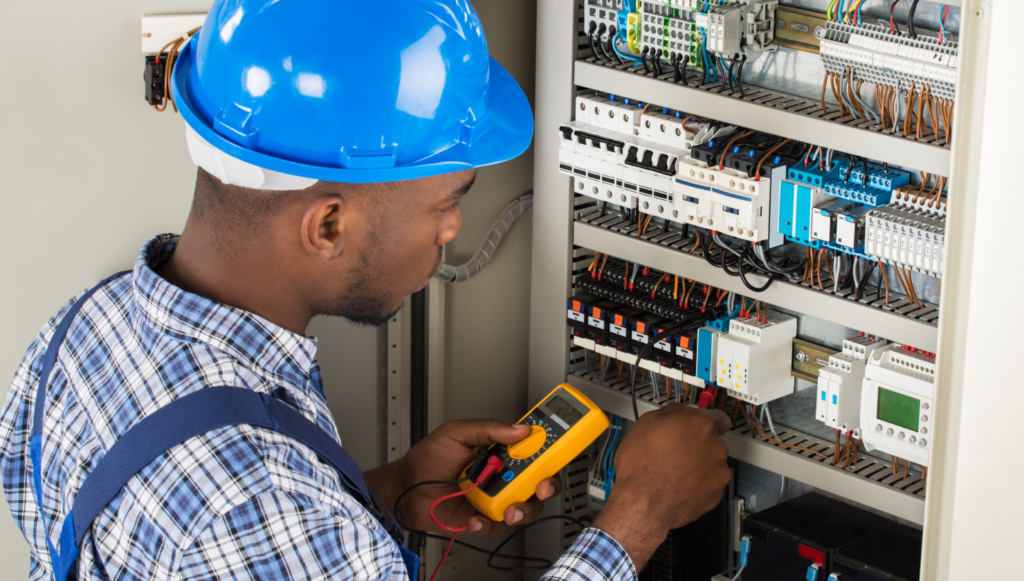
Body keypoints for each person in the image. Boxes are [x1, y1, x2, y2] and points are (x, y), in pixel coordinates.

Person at [0, 1, 732, 579]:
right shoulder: (258, 499)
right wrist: (639, 513)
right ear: (327, 225)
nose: (452, 230)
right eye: (446, 202)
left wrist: (386, 488)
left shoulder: (83, 326)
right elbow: (257, 526)